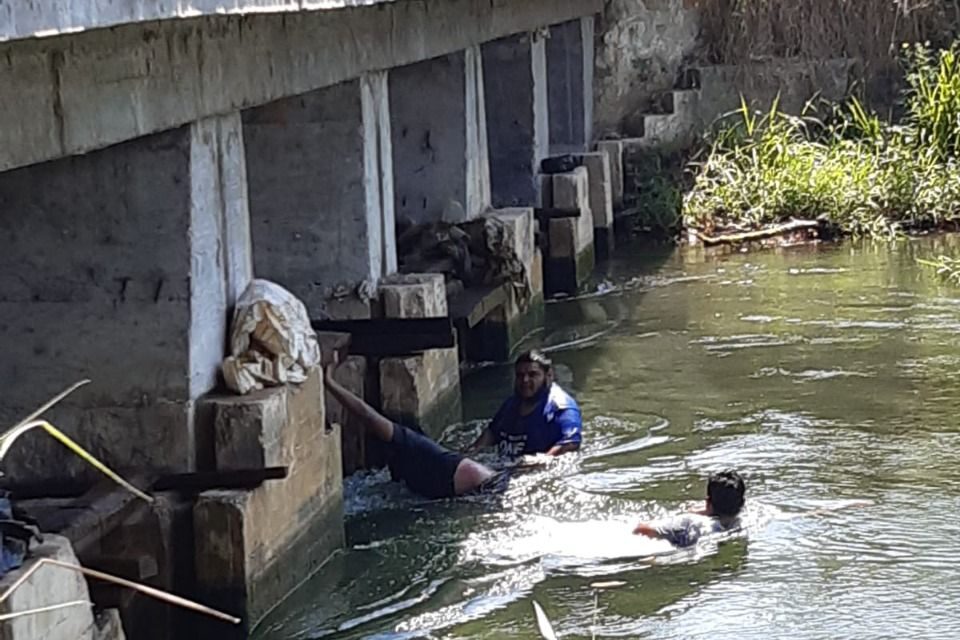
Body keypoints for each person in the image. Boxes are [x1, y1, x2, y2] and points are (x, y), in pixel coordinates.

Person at [324, 358, 500, 499]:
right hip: (465, 486)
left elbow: (365, 414)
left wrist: (329, 381)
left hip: (481, 482)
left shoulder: (410, 444)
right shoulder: (408, 471)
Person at [469, 350, 582, 458]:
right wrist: (473, 452)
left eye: (532, 374)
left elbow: (571, 443)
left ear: (549, 375)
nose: (525, 380)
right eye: (520, 375)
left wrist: (539, 462)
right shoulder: (511, 404)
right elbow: (492, 432)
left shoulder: (562, 407)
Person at [632, 470, 746, 547]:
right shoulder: (742, 523)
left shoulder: (690, 521)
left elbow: (640, 529)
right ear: (742, 503)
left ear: (708, 502)